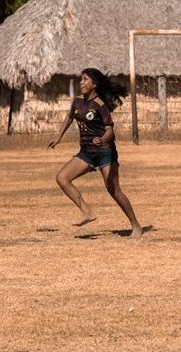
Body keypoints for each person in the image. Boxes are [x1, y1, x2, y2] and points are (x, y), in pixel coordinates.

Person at [48, 68, 142, 238]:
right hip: (86, 152)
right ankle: (87, 212)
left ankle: (136, 226)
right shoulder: (77, 102)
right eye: (80, 79)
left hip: (105, 152)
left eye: (85, 79)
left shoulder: (100, 105)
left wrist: (103, 139)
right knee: (62, 178)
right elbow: (70, 117)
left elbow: (110, 131)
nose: (81, 83)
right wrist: (59, 137)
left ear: (94, 84)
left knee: (113, 190)